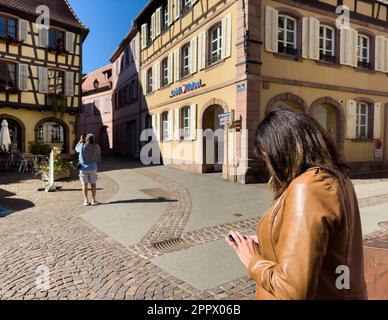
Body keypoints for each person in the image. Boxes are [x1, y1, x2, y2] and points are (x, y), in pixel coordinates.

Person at [226, 108, 367, 300]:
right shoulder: (336, 177)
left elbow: (292, 290)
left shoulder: (309, 187)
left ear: (281, 150)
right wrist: (268, 241)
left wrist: (253, 261)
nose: (268, 164)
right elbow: (321, 245)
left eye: (266, 155)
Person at [75, 133, 101, 206]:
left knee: (84, 185)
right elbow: (98, 156)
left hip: (83, 168)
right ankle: (93, 200)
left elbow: (76, 149)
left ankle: (86, 201)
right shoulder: (97, 146)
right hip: (93, 167)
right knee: (93, 184)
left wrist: (80, 140)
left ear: (86, 139)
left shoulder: (82, 146)